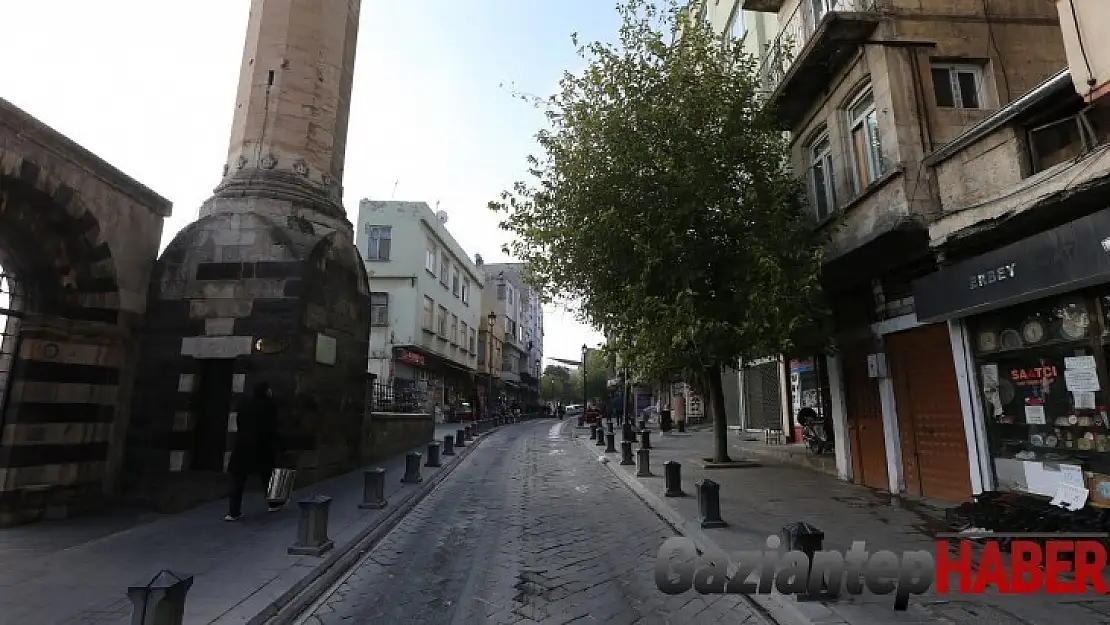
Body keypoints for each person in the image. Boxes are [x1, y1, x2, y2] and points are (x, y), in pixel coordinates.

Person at [225, 381, 282, 521]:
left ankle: (233, 512)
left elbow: (239, 422)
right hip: (261, 446)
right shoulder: (270, 406)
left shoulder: (245, 405)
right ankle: (273, 503)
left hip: (243, 445)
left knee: (238, 480)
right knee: (267, 475)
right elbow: (272, 426)